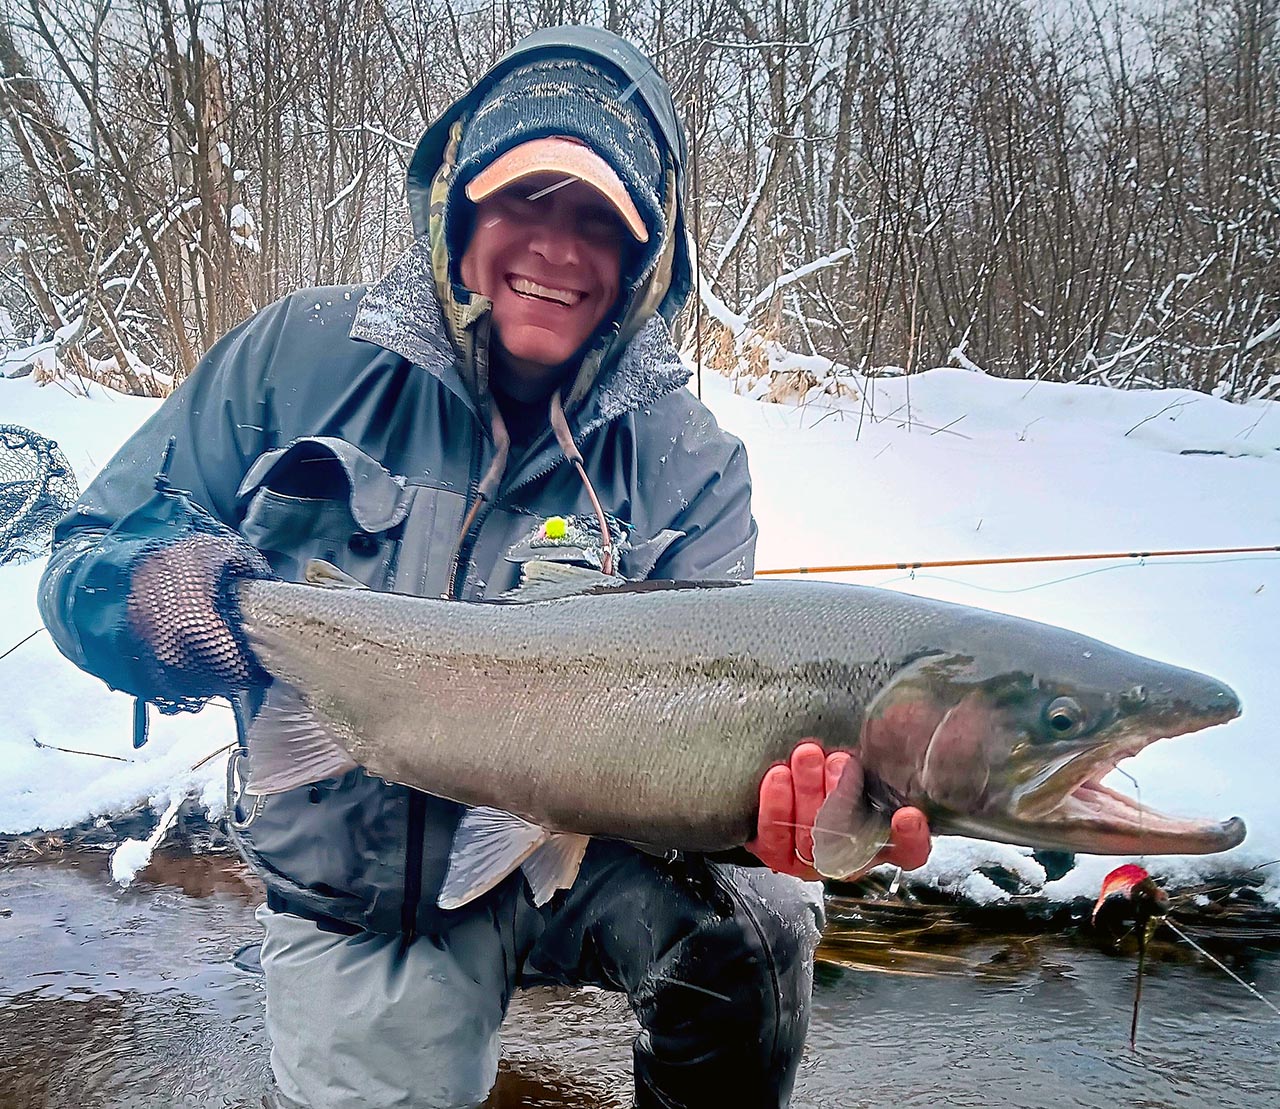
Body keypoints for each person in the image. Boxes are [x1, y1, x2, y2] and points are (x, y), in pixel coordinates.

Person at [39, 26, 930, 1109]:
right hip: (360, 887)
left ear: (646, 257)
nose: (556, 247)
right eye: (525, 200)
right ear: (458, 209)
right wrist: (153, 593)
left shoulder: (687, 461)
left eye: (597, 218)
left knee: (759, 928)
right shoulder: (295, 361)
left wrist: (774, 817)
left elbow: (720, 741)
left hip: (587, 851)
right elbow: (83, 557)